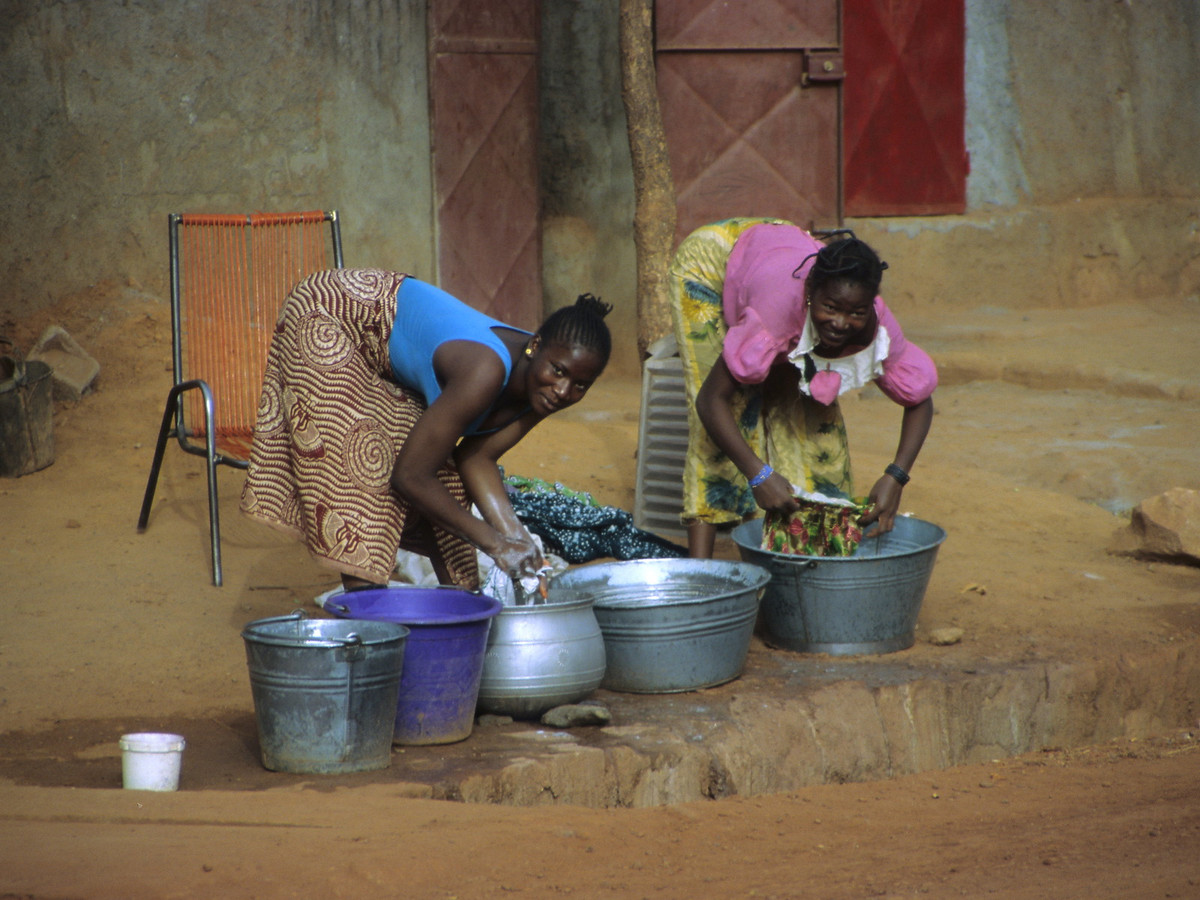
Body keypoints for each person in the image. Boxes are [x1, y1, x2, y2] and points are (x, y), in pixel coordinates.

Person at [239, 268, 612, 591]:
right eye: (558, 372)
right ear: (535, 346)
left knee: (446, 481)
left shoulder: (541, 388)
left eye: (580, 385)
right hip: (331, 314)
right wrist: (497, 545)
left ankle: (462, 610)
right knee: (364, 465)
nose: (563, 390)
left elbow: (476, 458)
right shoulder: (485, 372)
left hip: (380, 352)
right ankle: (368, 620)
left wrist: (518, 540)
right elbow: (410, 477)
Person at [667, 217, 936, 558]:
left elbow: (919, 399)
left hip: (778, 256)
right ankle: (700, 572)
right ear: (810, 293)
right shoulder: (777, 312)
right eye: (831, 308)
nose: (841, 323)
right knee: (734, 416)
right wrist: (758, 474)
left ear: (871, 305)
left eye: (856, 313)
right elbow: (710, 400)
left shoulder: (877, 329)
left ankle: (810, 556)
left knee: (817, 428)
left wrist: (896, 476)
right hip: (712, 263)